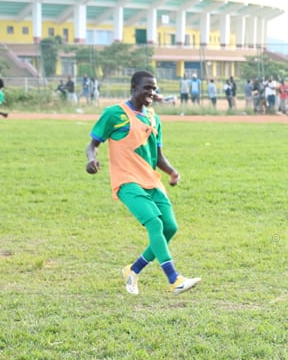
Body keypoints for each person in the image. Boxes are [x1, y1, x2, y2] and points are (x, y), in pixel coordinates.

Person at [85, 71, 201, 295]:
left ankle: (133, 269)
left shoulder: (153, 118)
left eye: (154, 88)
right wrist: (92, 159)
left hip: (151, 180)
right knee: (155, 223)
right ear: (134, 87)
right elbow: (93, 144)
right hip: (127, 181)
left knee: (170, 227)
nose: (151, 92)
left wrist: (172, 171)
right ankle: (174, 279)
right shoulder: (114, 113)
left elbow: (157, 155)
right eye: (147, 87)